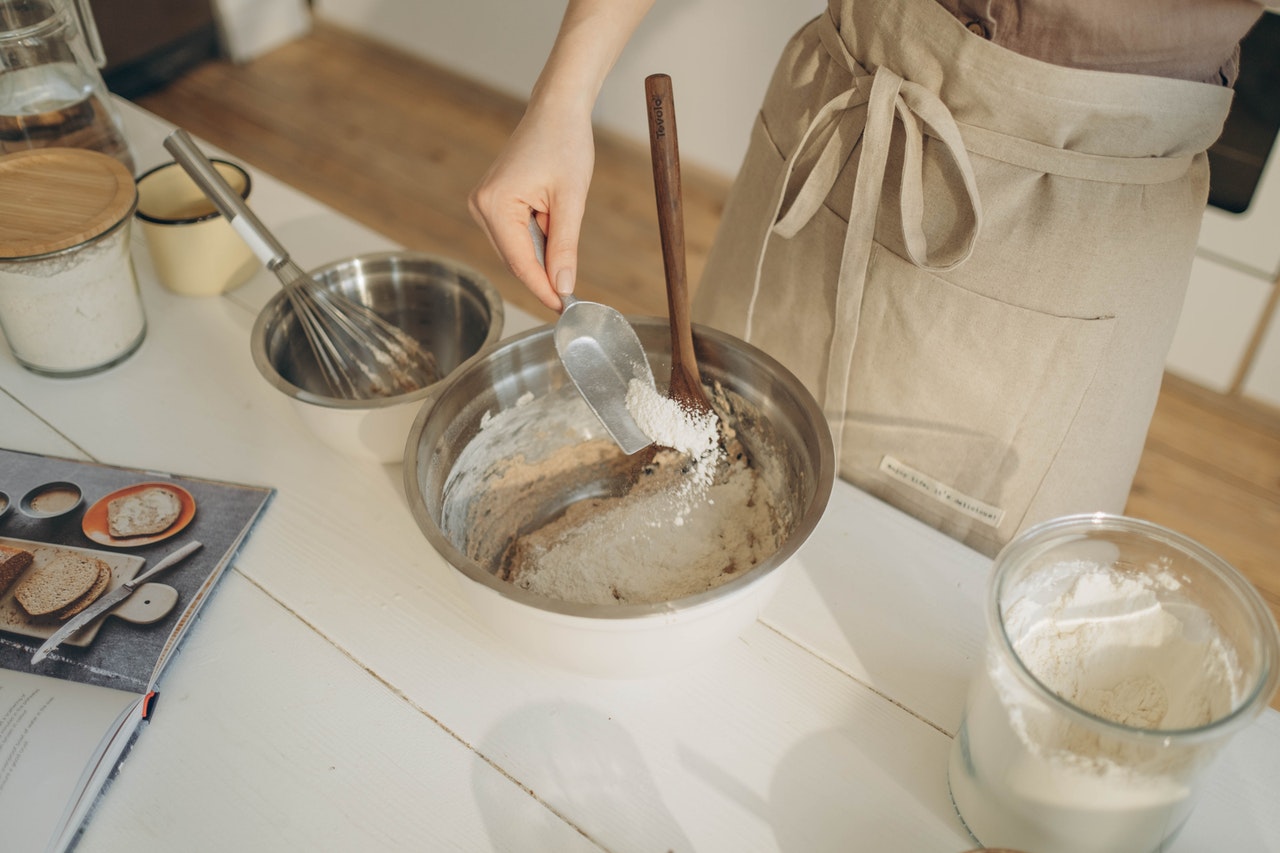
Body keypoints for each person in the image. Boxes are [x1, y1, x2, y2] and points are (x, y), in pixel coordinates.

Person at [469, 0, 1268, 556]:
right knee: (706, 469)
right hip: (840, 118)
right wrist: (563, 95)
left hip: (1070, 220)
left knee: (925, 617)